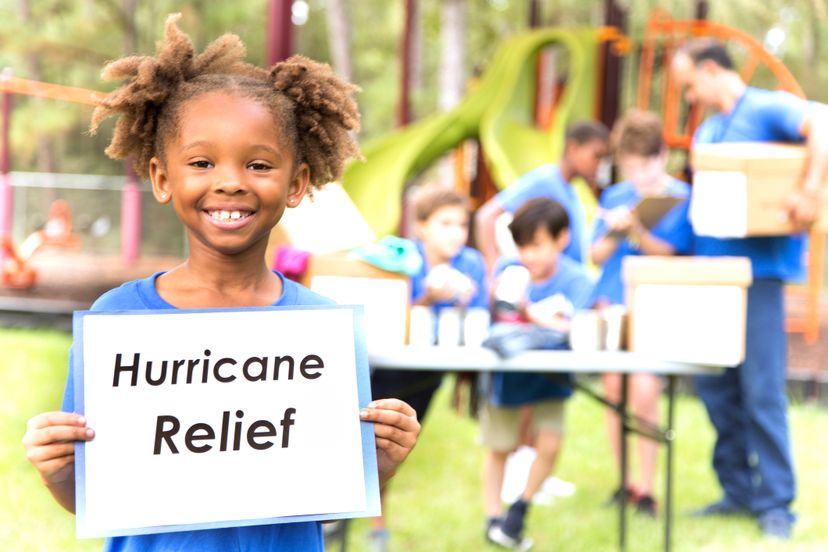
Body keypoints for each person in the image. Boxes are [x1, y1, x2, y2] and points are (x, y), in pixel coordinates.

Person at [21, 14, 420, 552]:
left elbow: (319, 484)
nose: (230, 182)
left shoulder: (320, 329)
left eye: (258, 164)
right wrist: (56, 469)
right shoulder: (117, 321)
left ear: (297, 184)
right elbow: (97, 491)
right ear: (163, 179)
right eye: (203, 162)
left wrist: (379, 464)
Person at [670, 38, 828, 540]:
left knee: (762, 389)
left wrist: (809, 191)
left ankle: (777, 503)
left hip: (759, 275)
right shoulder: (713, 128)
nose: (690, 96)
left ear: (711, 69)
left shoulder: (766, 107)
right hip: (714, 276)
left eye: (690, 85)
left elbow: (821, 125)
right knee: (717, 388)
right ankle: (738, 490)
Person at [368, 185, 487, 551]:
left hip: (431, 373)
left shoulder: (471, 263)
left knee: (394, 450)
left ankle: (367, 518)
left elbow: (481, 315)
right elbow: (390, 312)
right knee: (371, 443)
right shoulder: (400, 258)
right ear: (421, 227)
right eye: (445, 223)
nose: (456, 232)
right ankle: (375, 528)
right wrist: (428, 298)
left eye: (462, 224)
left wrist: (465, 302)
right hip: (386, 370)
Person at [590, 110, 690, 517]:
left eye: (645, 166)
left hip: (655, 305)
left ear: (662, 155)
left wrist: (638, 231)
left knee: (645, 394)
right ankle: (626, 480)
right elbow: (596, 255)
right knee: (614, 391)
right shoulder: (614, 195)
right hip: (613, 302)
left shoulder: (682, 196)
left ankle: (647, 487)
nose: (639, 176)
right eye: (630, 168)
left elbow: (676, 255)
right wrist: (616, 230)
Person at [482, 198, 593, 550]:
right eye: (522, 246)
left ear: (562, 239)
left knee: (550, 443)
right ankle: (492, 517)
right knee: (499, 445)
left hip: (553, 376)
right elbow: (494, 319)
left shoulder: (576, 278)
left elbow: (576, 328)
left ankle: (520, 507)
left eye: (537, 245)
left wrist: (529, 311)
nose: (528, 255)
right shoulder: (510, 270)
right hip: (508, 374)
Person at [475, 121, 610, 272]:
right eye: (596, 156)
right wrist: (493, 271)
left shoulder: (572, 192)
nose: (599, 165)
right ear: (573, 148)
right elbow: (486, 216)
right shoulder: (545, 181)